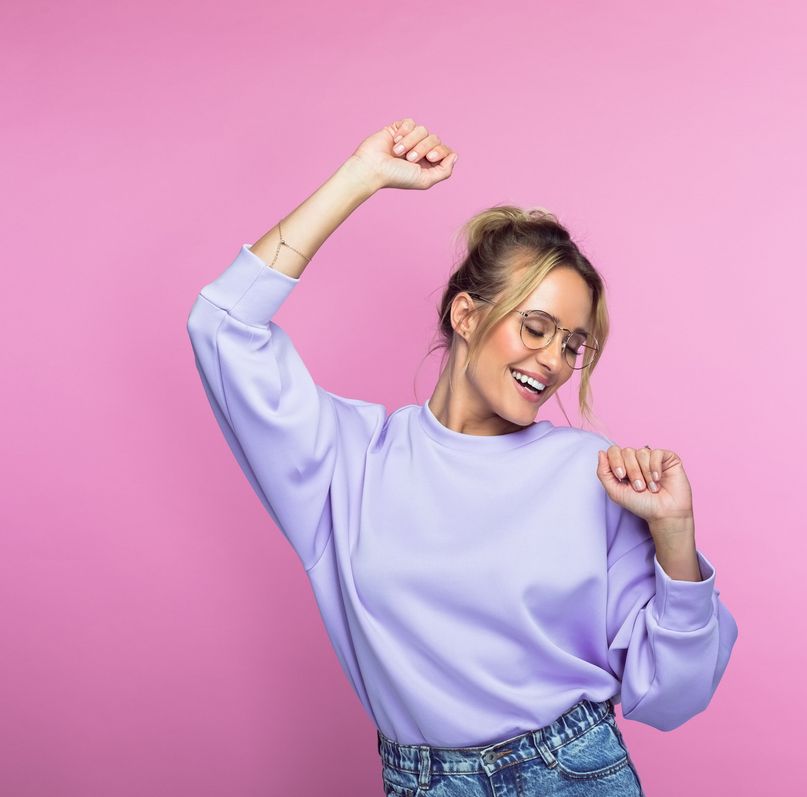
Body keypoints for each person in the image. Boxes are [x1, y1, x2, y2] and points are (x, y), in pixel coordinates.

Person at [186, 117, 739, 796]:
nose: (554, 361)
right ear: (466, 314)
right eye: (535, 327)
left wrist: (676, 539)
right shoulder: (350, 460)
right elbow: (224, 325)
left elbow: (673, 696)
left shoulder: (591, 472)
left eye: (573, 344)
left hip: (574, 771)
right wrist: (359, 178)